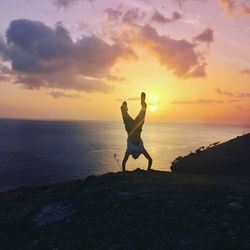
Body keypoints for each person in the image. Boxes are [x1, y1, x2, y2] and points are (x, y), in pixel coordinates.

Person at [121, 92, 153, 173]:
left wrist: (148, 171)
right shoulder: (131, 151)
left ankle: (140, 104)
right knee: (122, 108)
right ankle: (126, 107)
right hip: (132, 127)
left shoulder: (138, 150)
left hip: (136, 127)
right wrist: (123, 172)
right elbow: (123, 163)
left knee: (144, 108)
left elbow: (150, 160)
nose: (135, 158)